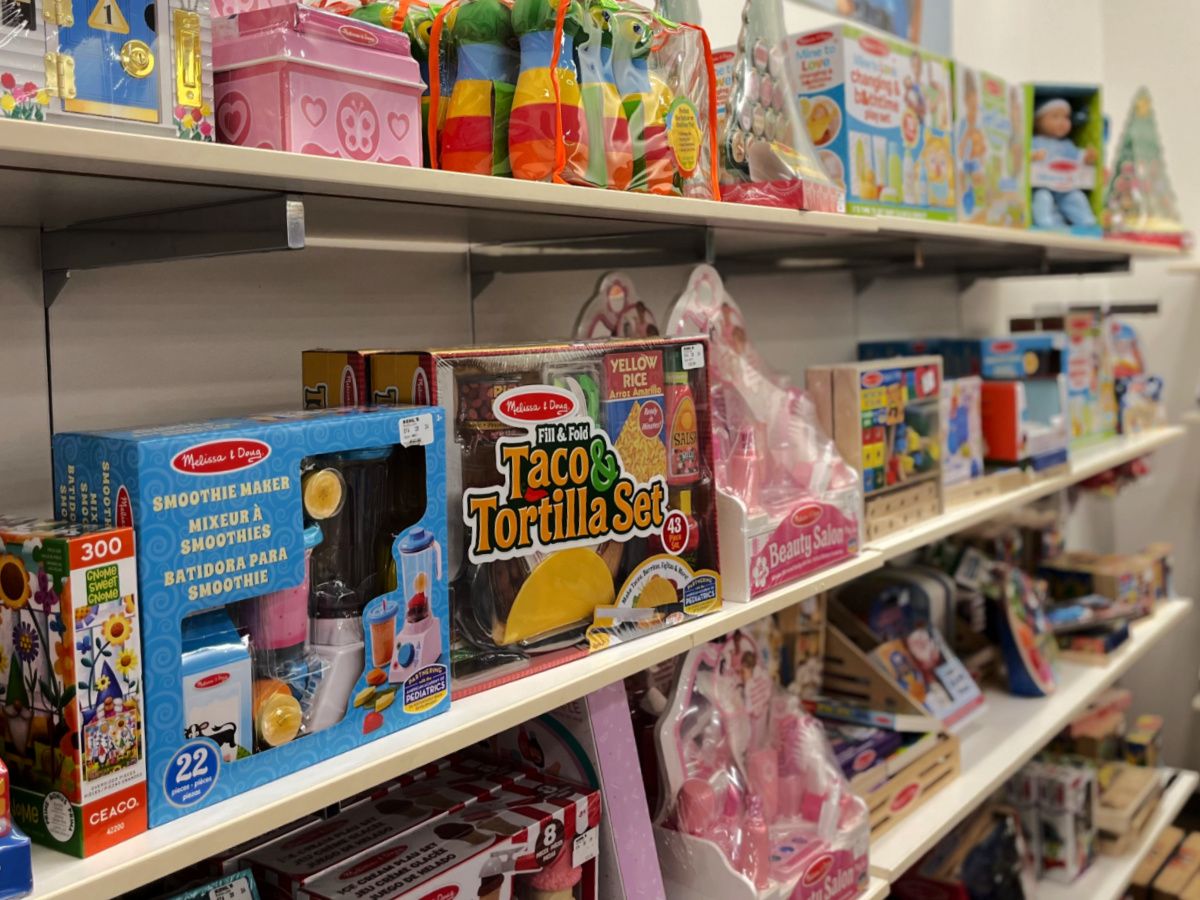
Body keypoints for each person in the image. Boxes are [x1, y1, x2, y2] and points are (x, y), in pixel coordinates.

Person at [1031, 97, 1098, 228]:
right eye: (1055, 117)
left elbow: (1077, 156)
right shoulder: (1035, 141)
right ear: (1038, 121)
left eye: (1066, 117)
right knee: (1042, 198)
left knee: (1076, 197)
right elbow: (1025, 154)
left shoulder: (1067, 144)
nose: (1062, 122)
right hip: (1043, 184)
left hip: (1065, 184)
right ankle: (1045, 222)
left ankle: (1086, 221)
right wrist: (1033, 155)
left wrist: (1087, 157)